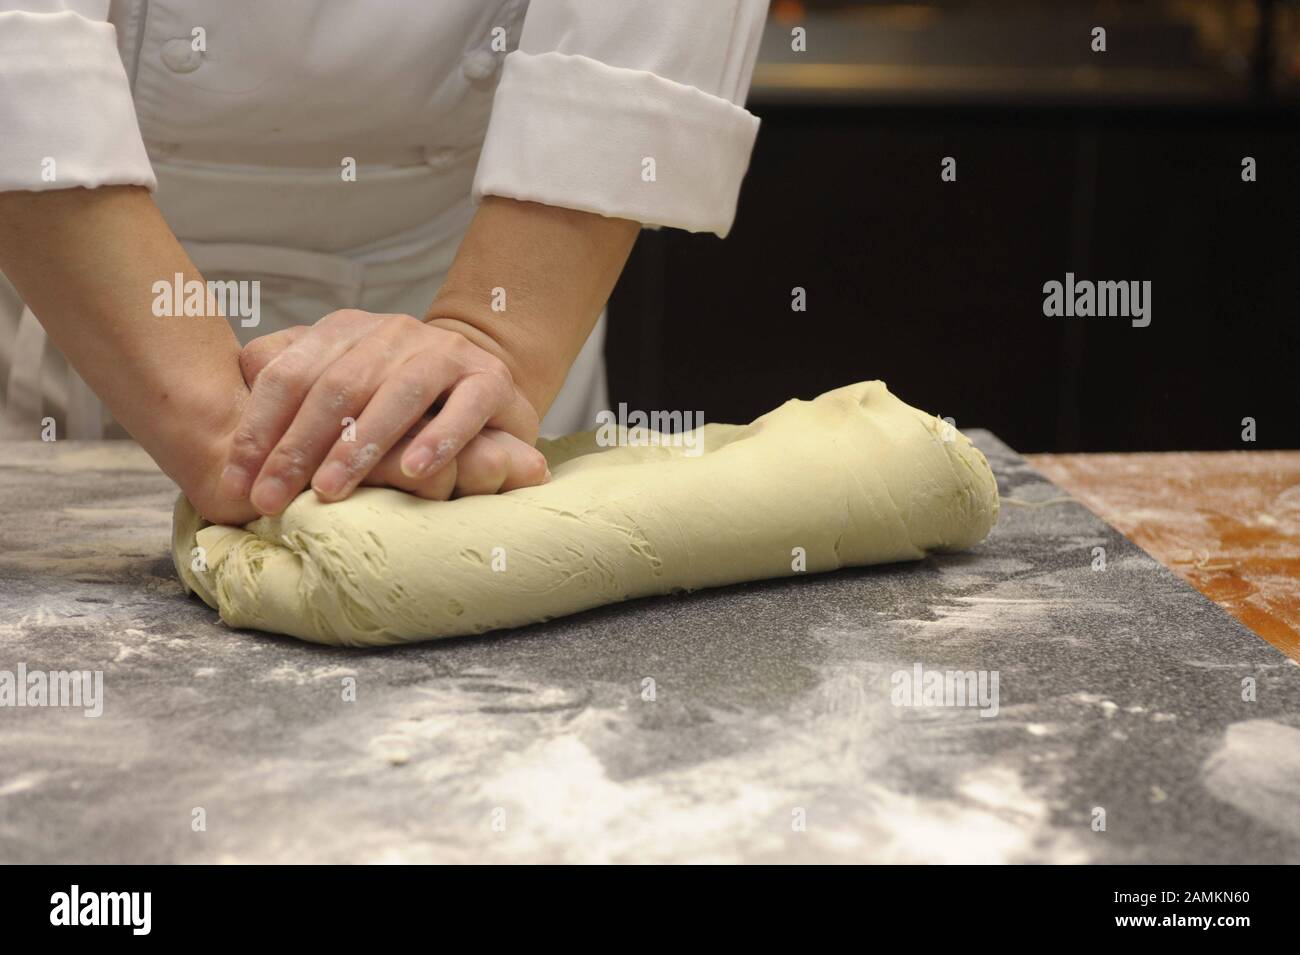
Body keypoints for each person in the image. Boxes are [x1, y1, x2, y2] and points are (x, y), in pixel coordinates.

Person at [0, 0, 767, 525]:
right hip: (87, 292)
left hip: (494, 312)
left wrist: (489, 347)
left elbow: (639, 46)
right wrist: (221, 432)